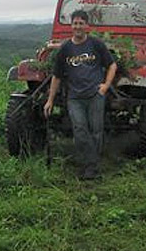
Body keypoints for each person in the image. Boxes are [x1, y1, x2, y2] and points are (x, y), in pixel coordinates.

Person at [44, 9, 117, 180]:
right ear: (71, 26)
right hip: (75, 97)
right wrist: (50, 100)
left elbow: (112, 65)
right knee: (80, 129)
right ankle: (91, 163)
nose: (78, 26)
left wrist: (105, 86)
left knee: (96, 131)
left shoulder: (96, 44)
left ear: (87, 26)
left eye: (81, 23)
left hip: (95, 95)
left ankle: (90, 167)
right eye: (75, 23)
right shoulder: (65, 48)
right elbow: (57, 76)